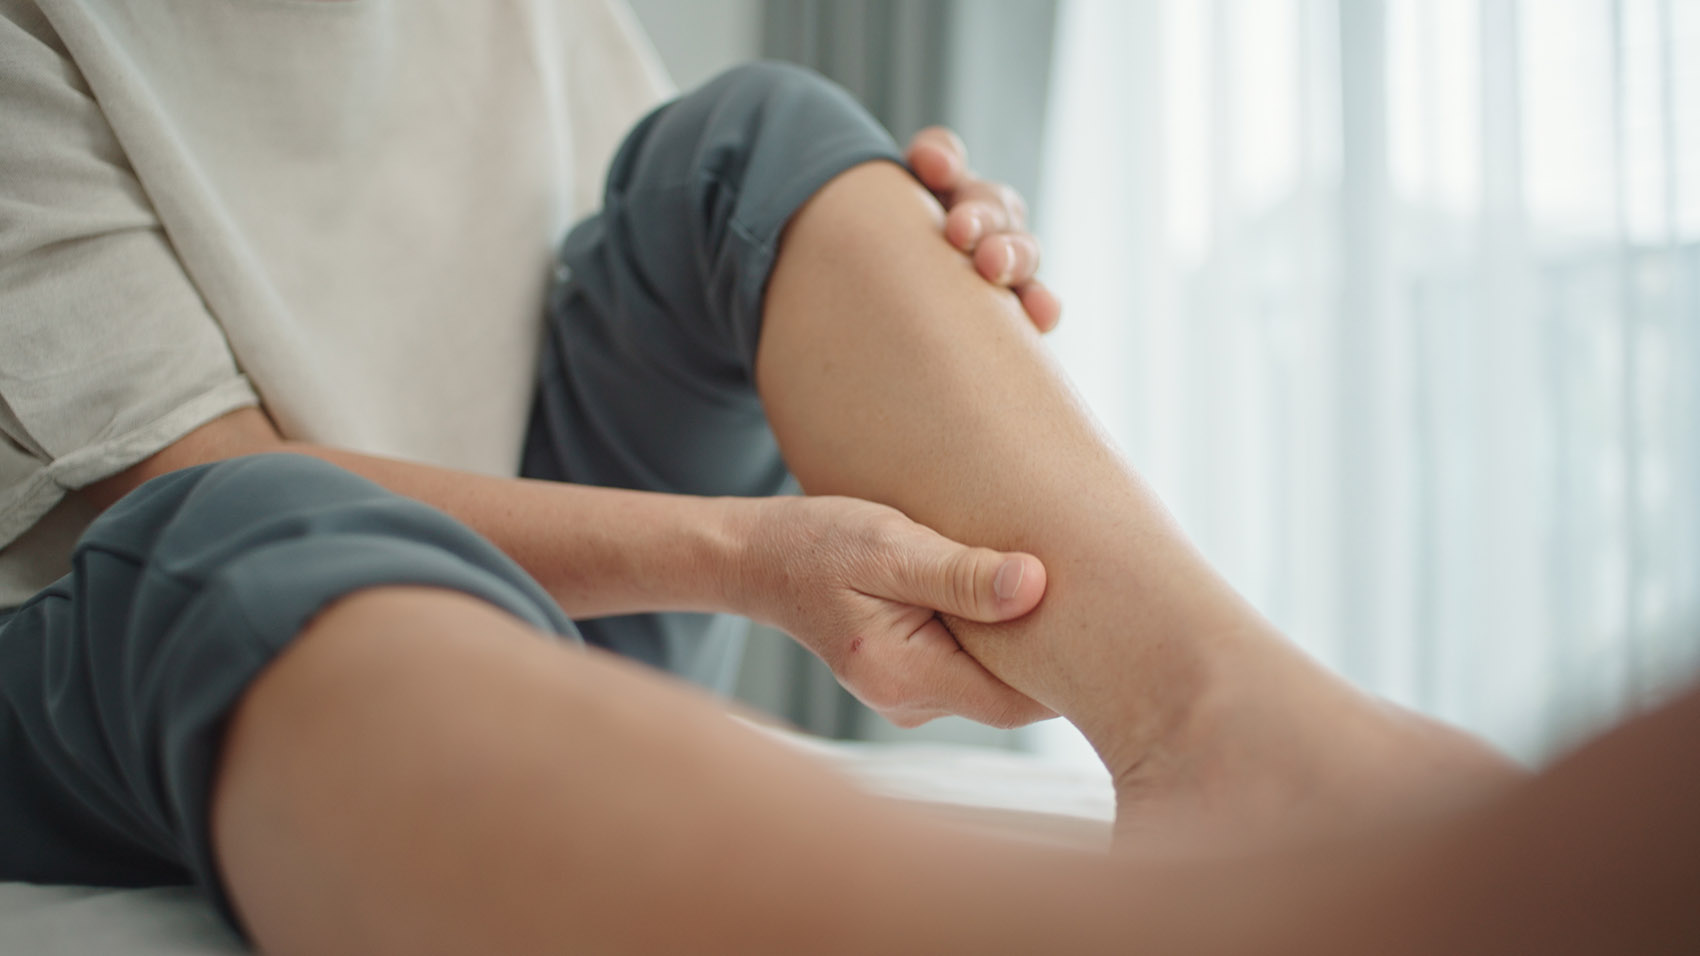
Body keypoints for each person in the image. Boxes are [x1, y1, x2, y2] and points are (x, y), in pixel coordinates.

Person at [2, 5, 1696, 955]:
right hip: (136, 656)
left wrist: (896, 240)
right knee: (233, 528)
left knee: (761, 136)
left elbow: (671, 234)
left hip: (525, 605)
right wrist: (748, 557)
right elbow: (178, 487)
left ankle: (1226, 734)